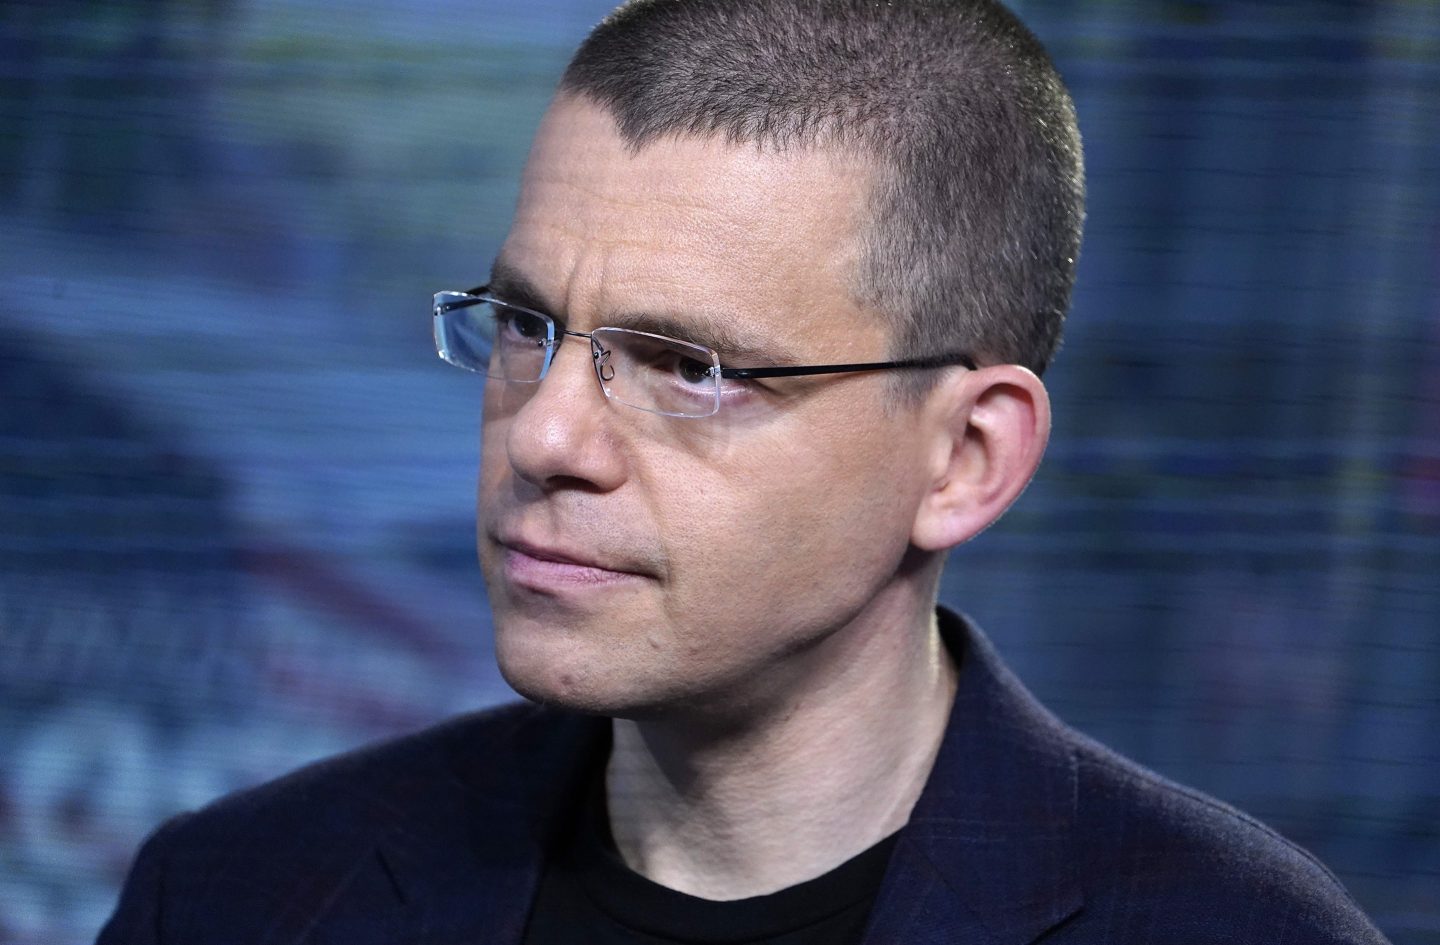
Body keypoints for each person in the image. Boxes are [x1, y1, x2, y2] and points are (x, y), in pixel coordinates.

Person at [98, 1, 1391, 942]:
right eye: (523, 326)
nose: (547, 436)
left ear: (967, 455)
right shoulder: (236, 894)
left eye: (691, 366)